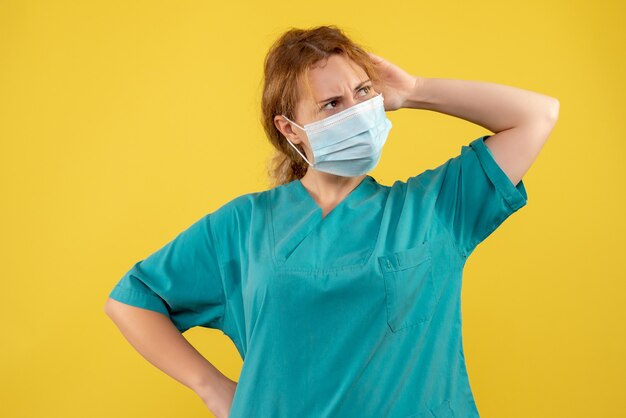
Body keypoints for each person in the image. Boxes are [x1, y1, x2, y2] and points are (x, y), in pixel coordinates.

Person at [104, 25, 559, 418]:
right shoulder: (244, 226)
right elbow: (132, 301)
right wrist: (214, 389)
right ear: (290, 129)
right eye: (331, 104)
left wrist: (414, 90)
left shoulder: (434, 207)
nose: (357, 113)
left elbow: (536, 116)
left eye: (363, 93)